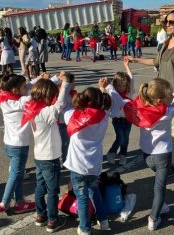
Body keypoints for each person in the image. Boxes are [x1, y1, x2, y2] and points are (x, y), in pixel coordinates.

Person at [106, 66, 174, 231]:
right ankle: (153, 218)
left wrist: (108, 87)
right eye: (169, 95)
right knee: (159, 188)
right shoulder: (168, 112)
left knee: (159, 182)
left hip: (146, 154)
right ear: (159, 100)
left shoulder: (138, 108)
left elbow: (121, 99)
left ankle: (161, 207)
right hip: (163, 155)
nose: (172, 96)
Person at [127, 9, 174, 175]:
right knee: (162, 126)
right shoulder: (166, 42)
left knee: (173, 128)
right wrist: (135, 59)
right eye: (166, 22)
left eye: (171, 22)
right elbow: (155, 61)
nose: (167, 25)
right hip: (160, 92)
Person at [0, 72, 35, 213]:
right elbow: (39, 93)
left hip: (9, 145)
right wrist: (56, 80)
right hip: (20, 146)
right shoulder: (22, 102)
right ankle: (5, 202)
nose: (26, 89)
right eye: (23, 87)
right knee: (15, 175)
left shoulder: (1, 99)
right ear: (15, 90)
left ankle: (20, 201)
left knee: (18, 173)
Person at [22, 76, 71, 232]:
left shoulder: (32, 108)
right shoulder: (45, 112)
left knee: (40, 187)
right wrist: (65, 84)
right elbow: (60, 104)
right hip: (50, 157)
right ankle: (52, 220)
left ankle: (40, 215)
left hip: (39, 156)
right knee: (52, 191)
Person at [63, 85, 112, 235]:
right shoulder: (104, 117)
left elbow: (63, 107)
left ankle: (84, 228)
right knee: (94, 190)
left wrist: (67, 88)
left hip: (77, 166)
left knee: (82, 197)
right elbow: (107, 104)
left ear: (83, 100)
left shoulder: (73, 115)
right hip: (94, 165)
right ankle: (103, 221)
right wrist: (104, 89)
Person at [106, 58, 134, 166]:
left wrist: (127, 66)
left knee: (125, 139)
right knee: (120, 138)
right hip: (117, 120)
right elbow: (109, 89)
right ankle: (112, 152)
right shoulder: (113, 94)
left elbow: (131, 79)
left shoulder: (129, 93)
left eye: (123, 86)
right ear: (115, 85)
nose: (122, 88)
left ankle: (123, 155)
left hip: (128, 119)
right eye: (119, 86)